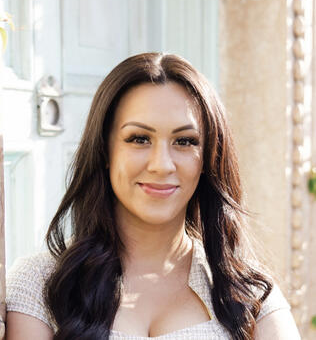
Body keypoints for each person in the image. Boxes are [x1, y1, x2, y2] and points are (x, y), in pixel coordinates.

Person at [6, 53, 300, 340]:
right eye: (139, 139)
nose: (162, 164)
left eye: (184, 141)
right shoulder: (38, 284)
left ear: (209, 157)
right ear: (105, 150)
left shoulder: (250, 295)